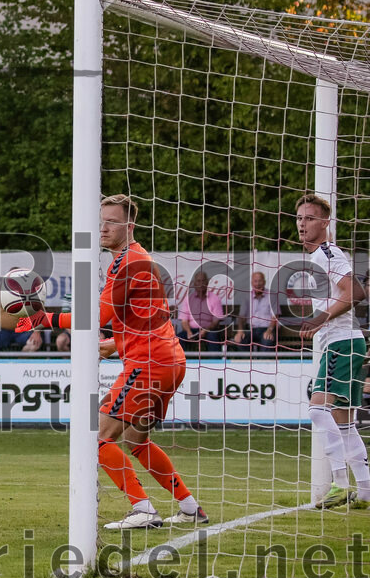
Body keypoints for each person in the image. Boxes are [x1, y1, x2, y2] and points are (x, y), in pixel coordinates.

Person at [19, 194, 207, 528]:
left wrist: (41, 319)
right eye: (101, 220)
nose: (103, 227)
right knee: (136, 440)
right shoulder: (136, 257)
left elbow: (97, 315)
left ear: (129, 225)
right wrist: (112, 344)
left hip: (148, 365)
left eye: (112, 222)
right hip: (168, 360)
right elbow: (142, 320)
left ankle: (144, 509)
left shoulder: (126, 262)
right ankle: (191, 507)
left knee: (96, 437)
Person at [293, 194, 370, 509]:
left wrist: (321, 317)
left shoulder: (326, 253)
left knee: (317, 410)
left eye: (310, 218)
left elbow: (356, 292)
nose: (302, 224)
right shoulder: (318, 257)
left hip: (341, 342)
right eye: (299, 218)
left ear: (325, 222)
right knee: (344, 423)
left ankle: (339, 484)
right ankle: (365, 491)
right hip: (346, 342)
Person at [177, 270, 226, 351]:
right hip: (192, 330)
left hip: (209, 329)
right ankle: (180, 362)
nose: (201, 284)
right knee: (178, 338)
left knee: (213, 336)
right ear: (194, 284)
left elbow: (215, 322)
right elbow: (184, 321)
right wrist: (189, 332)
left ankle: (214, 363)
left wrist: (205, 330)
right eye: (198, 281)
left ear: (207, 283)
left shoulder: (215, 298)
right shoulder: (188, 300)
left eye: (203, 281)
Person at [232, 271, 278, 351]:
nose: (258, 284)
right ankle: (247, 363)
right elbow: (241, 316)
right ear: (252, 283)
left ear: (264, 282)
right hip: (250, 329)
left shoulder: (272, 295)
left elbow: (275, 316)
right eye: (255, 281)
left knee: (268, 340)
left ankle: (263, 363)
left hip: (266, 329)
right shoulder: (246, 296)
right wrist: (240, 331)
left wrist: (269, 330)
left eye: (260, 281)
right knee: (240, 340)